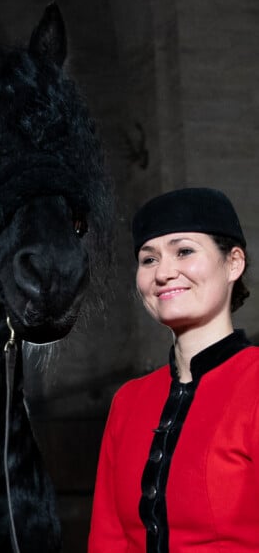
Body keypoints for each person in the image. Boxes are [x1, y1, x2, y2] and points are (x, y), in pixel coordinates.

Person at [88, 187, 259, 552]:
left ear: (234, 263)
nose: (164, 272)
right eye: (148, 259)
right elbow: (108, 539)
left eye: (184, 251)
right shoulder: (128, 401)